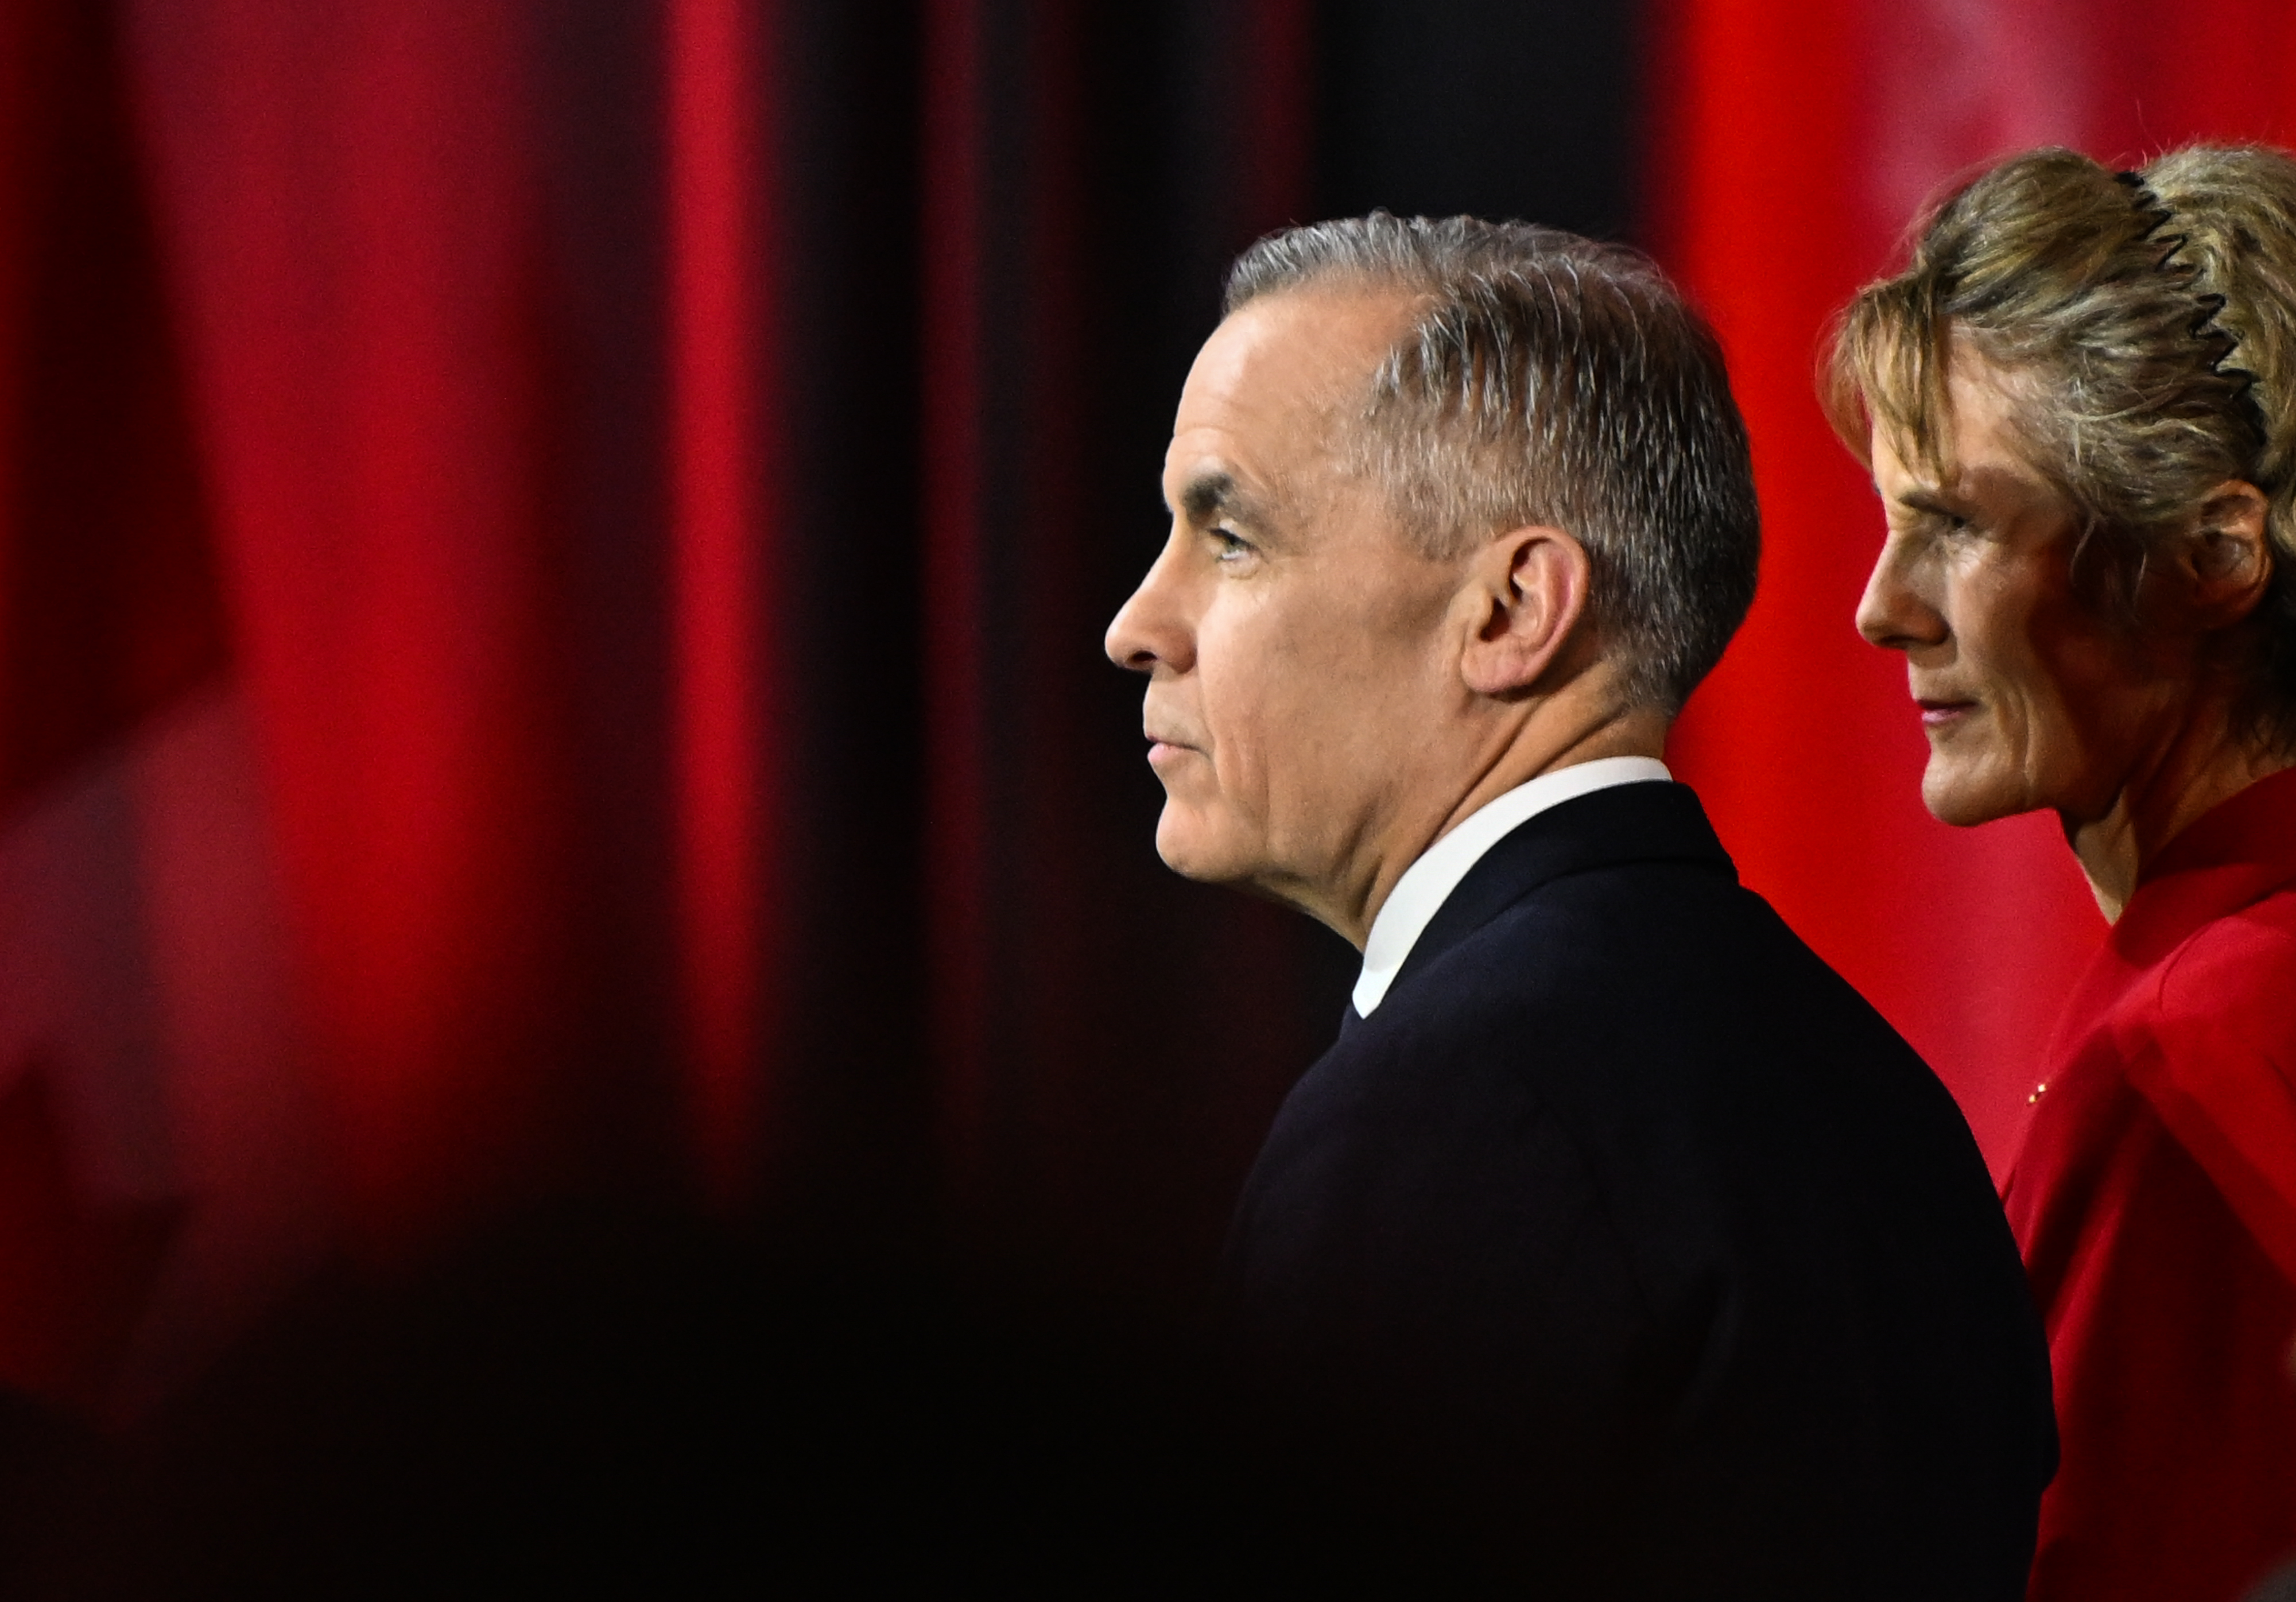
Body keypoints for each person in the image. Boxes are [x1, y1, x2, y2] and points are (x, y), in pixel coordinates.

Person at [1104, 215, 2055, 1596]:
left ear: (1509, 612)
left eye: (1231, 536)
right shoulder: (1873, 1088)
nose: (1141, 618)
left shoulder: (1447, 1116)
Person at [1833, 145, 2296, 1602]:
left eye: (1955, 524)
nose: (1877, 609)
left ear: (2212, 553)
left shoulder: (2189, 1050)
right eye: (1890, 518)